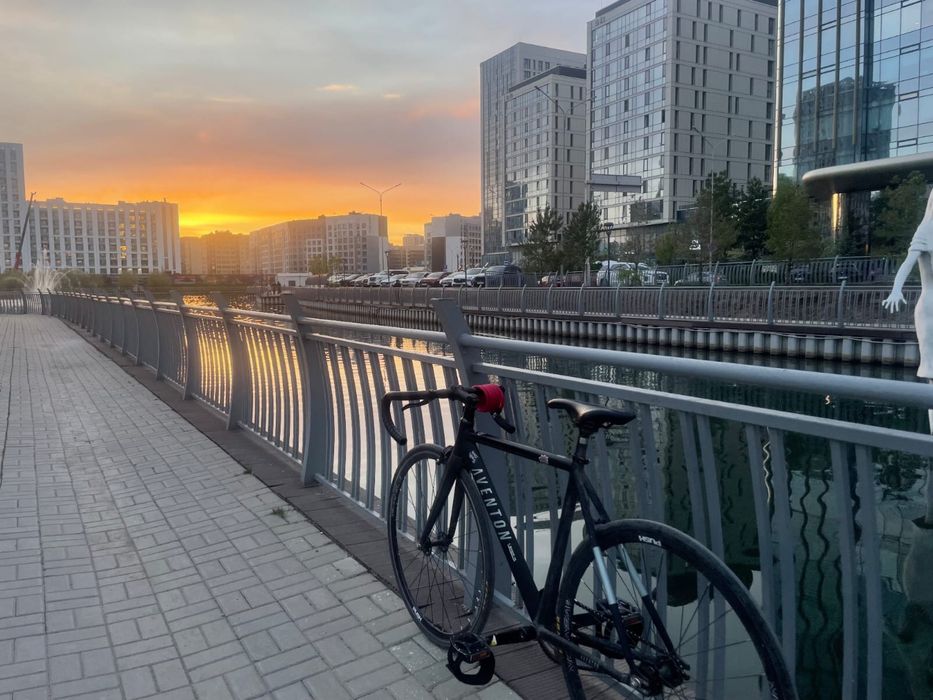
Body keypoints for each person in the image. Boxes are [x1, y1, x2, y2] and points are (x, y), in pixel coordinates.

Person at [882, 188, 933, 379]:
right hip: (930, 309)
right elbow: (907, 264)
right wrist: (896, 290)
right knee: (931, 371)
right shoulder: (926, 230)